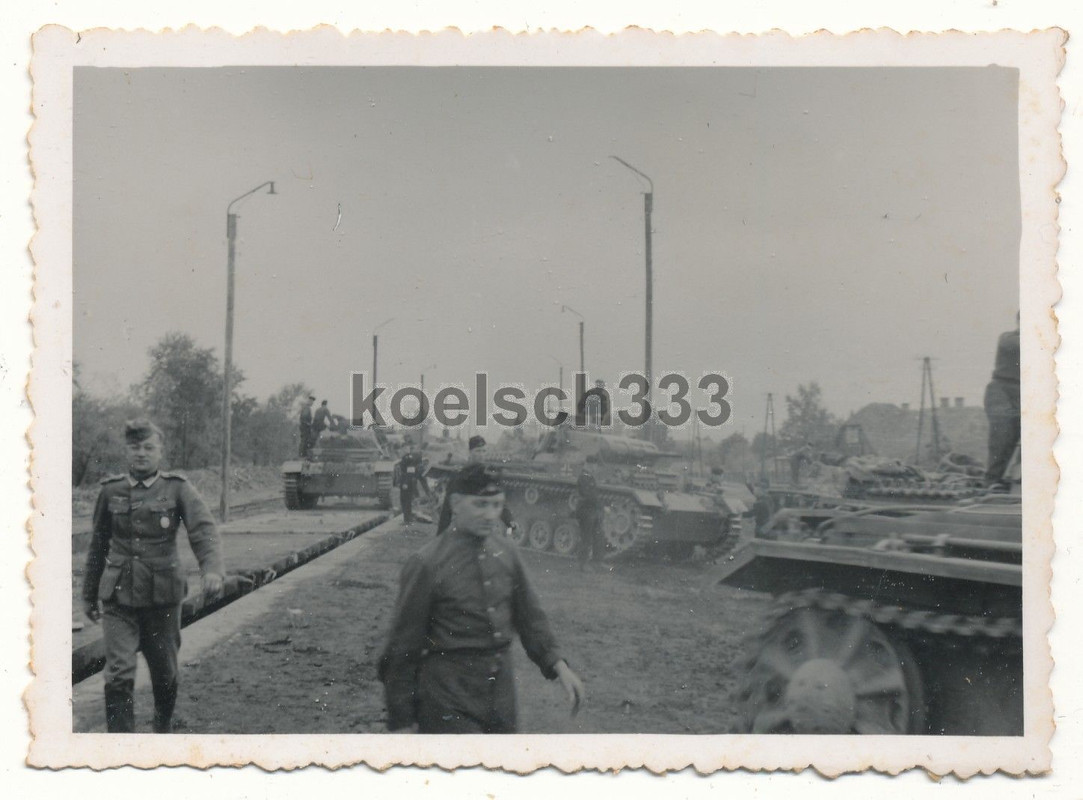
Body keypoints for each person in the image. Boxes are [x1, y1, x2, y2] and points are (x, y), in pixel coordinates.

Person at [378, 463, 586, 733]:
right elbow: (402, 647)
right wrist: (402, 720)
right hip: (447, 695)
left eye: (497, 505)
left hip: (501, 694)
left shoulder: (507, 552)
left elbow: (531, 616)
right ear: (455, 504)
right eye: (480, 505)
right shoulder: (427, 563)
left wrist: (559, 667)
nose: (490, 515)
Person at [82, 418, 224, 733]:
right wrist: (88, 594)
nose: (141, 454)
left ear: (160, 451)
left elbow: (202, 531)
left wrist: (212, 569)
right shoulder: (111, 491)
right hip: (118, 598)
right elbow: (97, 545)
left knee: (164, 672)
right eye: (135, 448)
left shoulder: (177, 488)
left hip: (163, 598)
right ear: (126, 451)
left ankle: (162, 727)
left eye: (148, 447)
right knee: (118, 673)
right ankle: (122, 749)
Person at [436, 435, 516, 535]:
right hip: (464, 530)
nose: (481, 455)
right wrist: (440, 537)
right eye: (478, 451)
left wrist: (510, 520)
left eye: (484, 451)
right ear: (470, 452)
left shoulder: (489, 476)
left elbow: (498, 501)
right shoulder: (460, 476)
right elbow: (447, 511)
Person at [984, 314, 1021, 485]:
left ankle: (1019, 481)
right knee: (1003, 436)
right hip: (1002, 391)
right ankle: (992, 482)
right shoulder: (1008, 339)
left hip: (1028, 392)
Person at [574, 469, 605, 570]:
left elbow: (594, 494)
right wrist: (601, 505)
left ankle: (597, 561)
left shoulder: (591, 477)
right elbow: (588, 495)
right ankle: (582, 564)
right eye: (591, 464)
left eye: (595, 464)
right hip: (585, 510)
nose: (594, 466)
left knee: (598, 535)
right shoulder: (583, 477)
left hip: (593, 511)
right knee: (586, 537)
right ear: (587, 464)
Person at [396, 442, 426, 526]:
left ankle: (407, 520)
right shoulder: (407, 457)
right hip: (407, 481)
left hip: (407, 482)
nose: (403, 450)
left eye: (404, 448)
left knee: (405, 501)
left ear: (407, 448)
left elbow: (409, 471)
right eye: (403, 448)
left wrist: (405, 482)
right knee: (407, 501)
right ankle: (408, 519)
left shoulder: (407, 458)